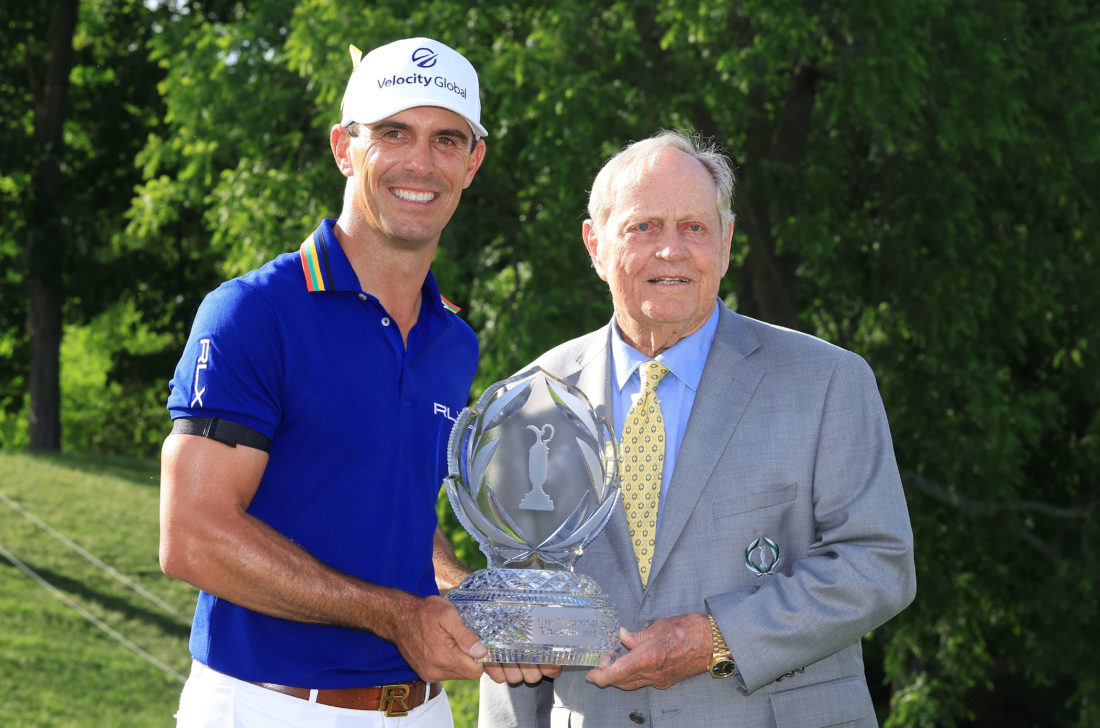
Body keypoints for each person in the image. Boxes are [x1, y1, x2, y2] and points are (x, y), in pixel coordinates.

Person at [478, 130, 917, 727]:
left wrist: (718, 639)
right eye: (644, 227)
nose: (672, 251)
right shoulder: (531, 402)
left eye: (694, 227)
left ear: (727, 241)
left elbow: (877, 564)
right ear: (595, 244)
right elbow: (516, 608)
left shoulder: (827, 381)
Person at [159, 37, 493, 727]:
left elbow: (396, 511)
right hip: (269, 706)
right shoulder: (255, 312)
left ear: (472, 162)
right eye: (393, 132)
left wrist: (465, 593)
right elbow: (192, 533)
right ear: (345, 147)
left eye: (446, 139)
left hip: (424, 712)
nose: (420, 163)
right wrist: (398, 616)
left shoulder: (453, 341)